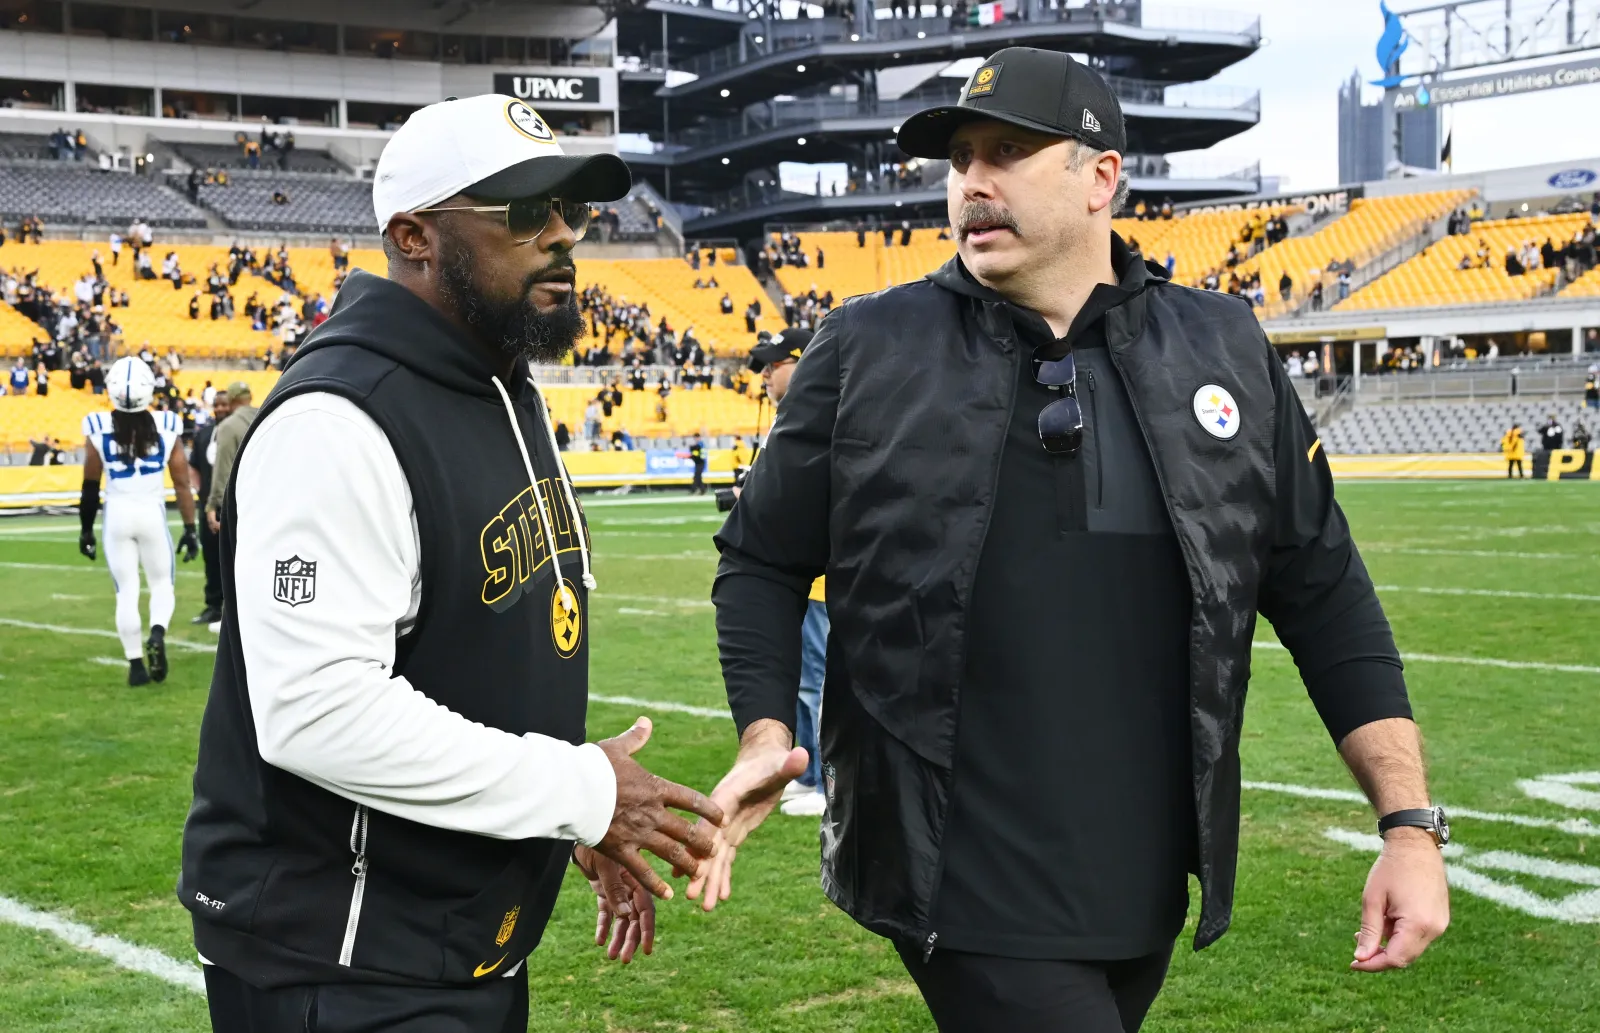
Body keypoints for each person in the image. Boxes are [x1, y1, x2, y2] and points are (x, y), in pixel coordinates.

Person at [693, 48, 1450, 1033]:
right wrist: (766, 730)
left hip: (1141, 877)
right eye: (960, 156)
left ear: (1102, 176)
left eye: (1008, 151)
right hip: (954, 870)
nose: (972, 179)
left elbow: (1323, 593)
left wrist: (1408, 826)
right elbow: (760, 555)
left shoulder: (1222, 348)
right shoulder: (867, 346)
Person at [180, 93, 723, 1032]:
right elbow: (317, 711)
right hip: (342, 955)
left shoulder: (502, 387)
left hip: (450, 941)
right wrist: (581, 792)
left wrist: (556, 815)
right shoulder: (337, 418)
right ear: (414, 236)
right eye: (526, 211)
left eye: (574, 211)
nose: (562, 237)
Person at [743, 330, 829, 819]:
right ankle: (807, 772)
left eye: (772, 365)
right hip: (796, 578)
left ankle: (821, 779)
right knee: (800, 678)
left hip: (816, 579)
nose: (764, 376)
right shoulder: (795, 418)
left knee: (815, 681)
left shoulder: (820, 415)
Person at [78, 358, 200, 686]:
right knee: (161, 585)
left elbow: (90, 484)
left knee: (126, 592)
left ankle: (135, 666)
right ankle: (157, 632)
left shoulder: (96, 425)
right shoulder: (168, 423)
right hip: (151, 514)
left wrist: (86, 528)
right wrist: (190, 528)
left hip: (117, 515)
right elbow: (181, 483)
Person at [187, 391, 231, 626]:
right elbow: (193, 465)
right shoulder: (204, 435)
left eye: (225, 404)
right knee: (211, 558)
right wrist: (201, 493)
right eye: (218, 405)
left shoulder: (240, 431)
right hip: (209, 508)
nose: (221, 409)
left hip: (235, 507)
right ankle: (213, 606)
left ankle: (237, 609)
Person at [204, 383, 258, 537]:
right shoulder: (266, 417)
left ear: (231, 399)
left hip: (239, 504)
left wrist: (213, 505)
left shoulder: (229, 426)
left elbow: (223, 470)